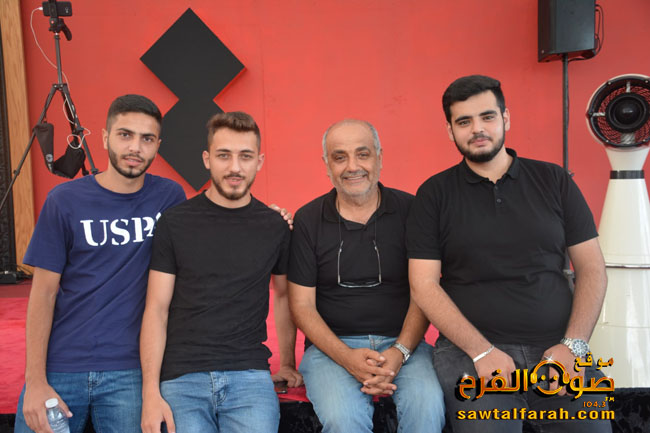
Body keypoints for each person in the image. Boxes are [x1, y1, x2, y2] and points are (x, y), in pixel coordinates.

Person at [407, 75, 612, 433]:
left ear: (506, 119)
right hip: (470, 353)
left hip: (557, 347)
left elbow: (592, 268)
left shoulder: (554, 181)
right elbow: (424, 285)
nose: (477, 129)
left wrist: (573, 346)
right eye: (464, 121)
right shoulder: (433, 194)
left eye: (487, 117)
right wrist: (481, 352)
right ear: (450, 131)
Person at [15, 95, 187, 433]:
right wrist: (35, 381)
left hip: (131, 371)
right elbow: (43, 294)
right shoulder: (64, 201)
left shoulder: (170, 197)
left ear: (157, 146)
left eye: (147, 138)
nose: (135, 147)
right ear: (106, 138)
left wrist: (268, 216)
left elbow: (212, 228)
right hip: (62, 365)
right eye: (125, 135)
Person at [140, 111, 302, 433]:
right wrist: (150, 392)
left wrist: (287, 363)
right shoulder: (175, 223)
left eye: (246, 156)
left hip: (249, 375)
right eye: (224, 155)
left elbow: (285, 296)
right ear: (207, 159)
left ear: (259, 162)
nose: (235, 167)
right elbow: (156, 309)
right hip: (182, 377)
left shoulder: (275, 227)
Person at [288, 119, 445, 433]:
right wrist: (346, 357)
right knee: (342, 419)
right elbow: (301, 306)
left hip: (405, 345)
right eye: (340, 157)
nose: (353, 166)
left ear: (380, 157)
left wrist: (400, 351)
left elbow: (424, 291)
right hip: (330, 350)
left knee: (427, 407)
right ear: (327, 165)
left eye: (363, 154)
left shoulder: (412, 210)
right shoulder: (308, 219)